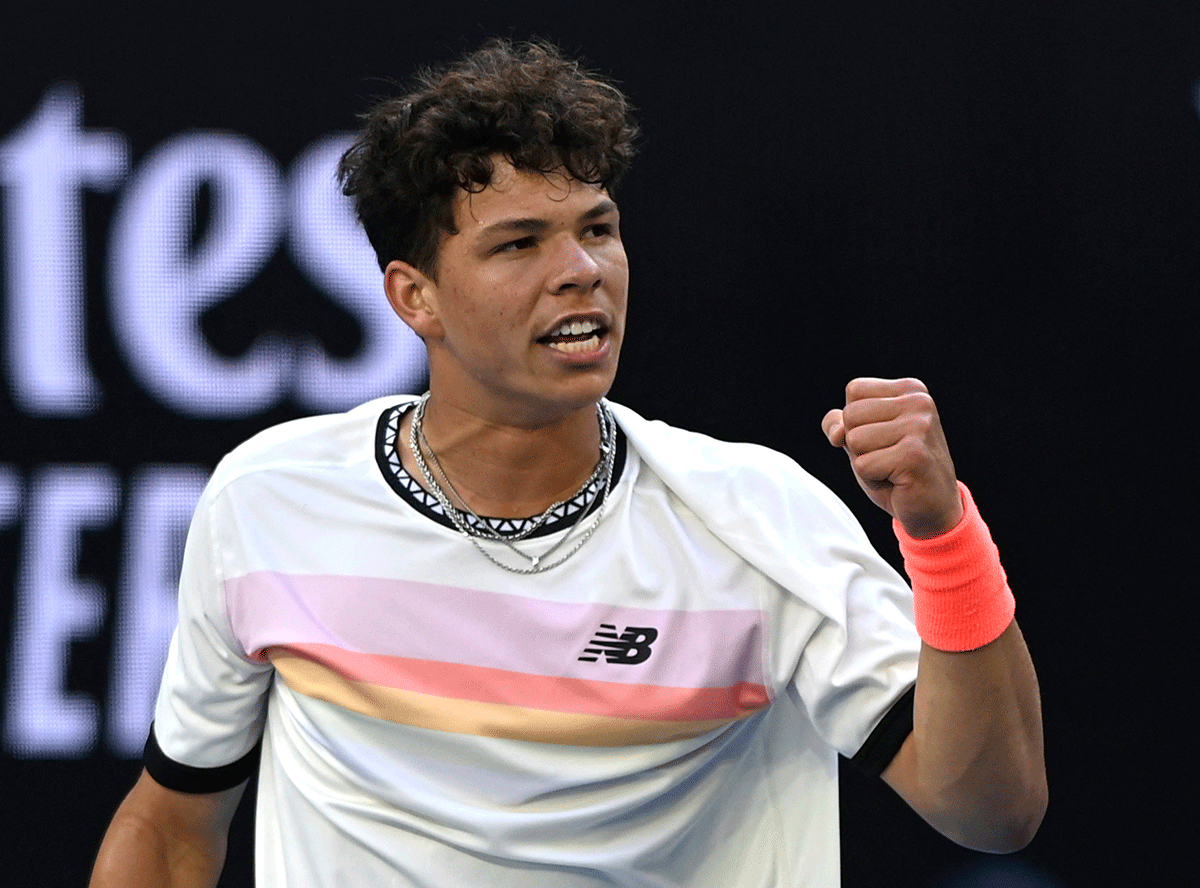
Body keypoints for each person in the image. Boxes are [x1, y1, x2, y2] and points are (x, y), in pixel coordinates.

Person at [89, 39, 1046, 888]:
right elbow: (171, 829)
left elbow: (993, 811)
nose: (582, 268)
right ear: (414, 297)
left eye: (597, 228)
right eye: (520, 243)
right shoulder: (269, 499)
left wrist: (941, 537)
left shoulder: (755, 517)